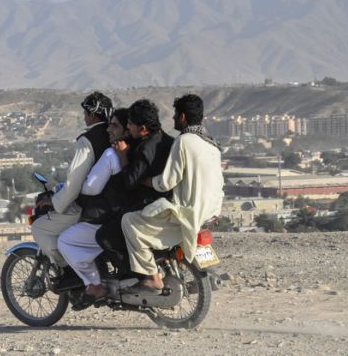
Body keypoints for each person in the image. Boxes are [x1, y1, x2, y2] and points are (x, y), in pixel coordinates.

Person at [121, 94, 224, 293]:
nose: (174, 119)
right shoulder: (211, 143)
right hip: (211, 211)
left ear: (183, 117)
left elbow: (166, 182)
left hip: (188, 213)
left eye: (176, 114)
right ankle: (181, 267)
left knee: (129, 222)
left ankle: (151, 276)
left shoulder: (184, 141)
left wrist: (144, 180)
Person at [32, 91, 113, 285]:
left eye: (85, 113)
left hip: (92, 206)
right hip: (116, 201)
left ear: (92, 115)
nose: (84, 117)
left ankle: (68, 271)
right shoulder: (115, 133)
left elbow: (74, 183)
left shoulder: (87, 140)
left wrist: (53, 202)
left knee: (40, 228)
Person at [57, 108, 130, 310]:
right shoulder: (140, 149)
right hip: (132, 212)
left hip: (112, 216)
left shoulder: (110, 154)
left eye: (114, 125)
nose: (109, 129)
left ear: (126, 129)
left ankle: (95, 285)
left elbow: (91, 187)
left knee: (66, 240)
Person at [94, 99, 174, 267]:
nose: (128, 127)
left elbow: (130, 182)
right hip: (164, 201)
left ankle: (136, 276)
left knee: (105, 236)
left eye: (130, 124)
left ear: (143, 129)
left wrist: (123, 156)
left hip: (148, 204)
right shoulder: (167, 140)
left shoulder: (146, 148)